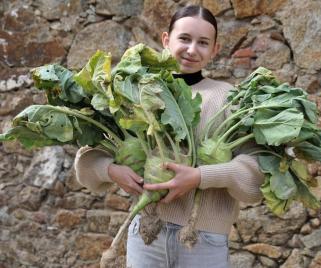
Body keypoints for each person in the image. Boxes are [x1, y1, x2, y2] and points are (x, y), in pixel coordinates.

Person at [74, 5, 265, 268]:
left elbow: (255, 177)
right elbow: (86, 158)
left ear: (215, 50)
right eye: (184, 39)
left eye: (203, 43)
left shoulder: (229, 99)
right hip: (146, 235)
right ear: (166, 40)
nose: (191, 49)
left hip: (202, 241)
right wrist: (111, 170)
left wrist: (199, 177)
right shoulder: (137, 93)